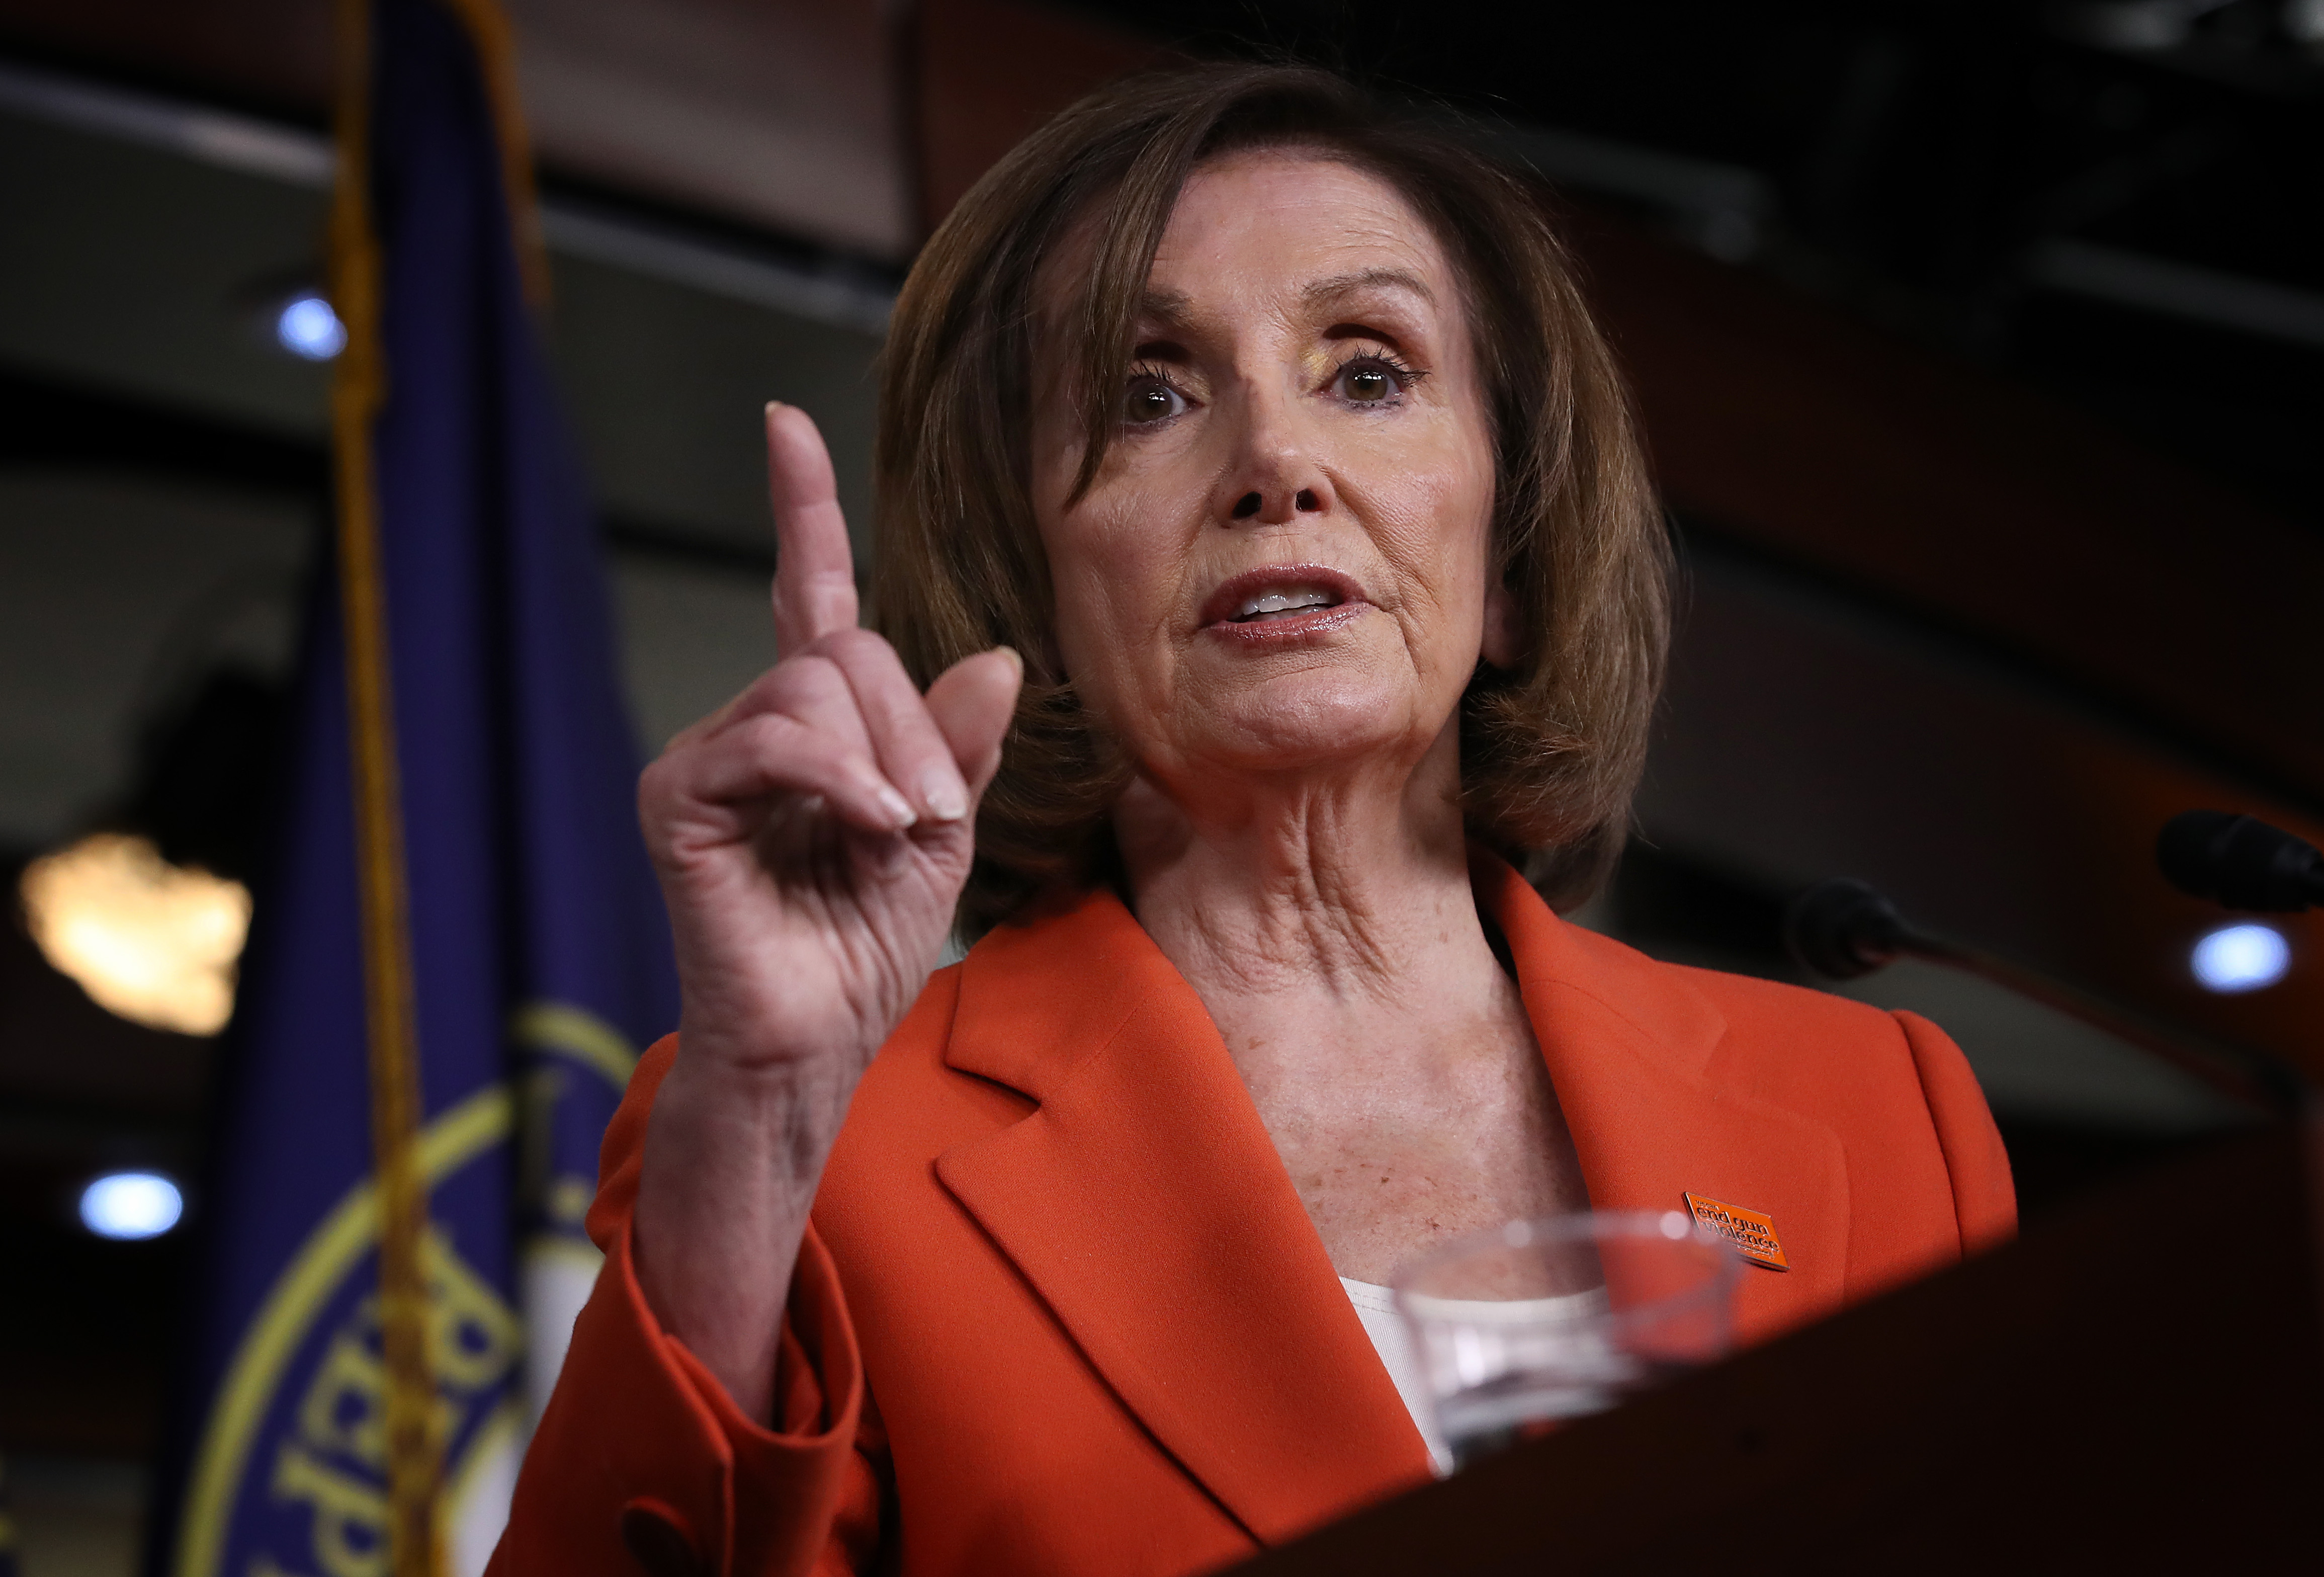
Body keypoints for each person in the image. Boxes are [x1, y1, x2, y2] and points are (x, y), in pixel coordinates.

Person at [492, 62, 2012, 1577]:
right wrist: (761, 1127)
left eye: (1368, 371)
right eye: (1150, 395)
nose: (1275, 463)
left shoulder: (1883, 1113)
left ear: (1512, 559)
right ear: (1034, 583)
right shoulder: (811, 1142)